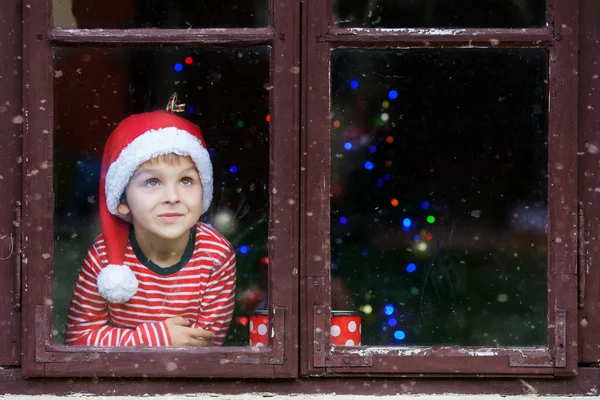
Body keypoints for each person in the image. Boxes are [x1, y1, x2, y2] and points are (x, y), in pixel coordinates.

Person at [65, 99, 236, 347]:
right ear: (122, 201)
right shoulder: (103, 257)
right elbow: (78, 339)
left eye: (186, 180)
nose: (172, 197)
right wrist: (157, 338)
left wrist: (127, 343)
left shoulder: (216, 255)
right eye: (152, 182)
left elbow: (204, 345)